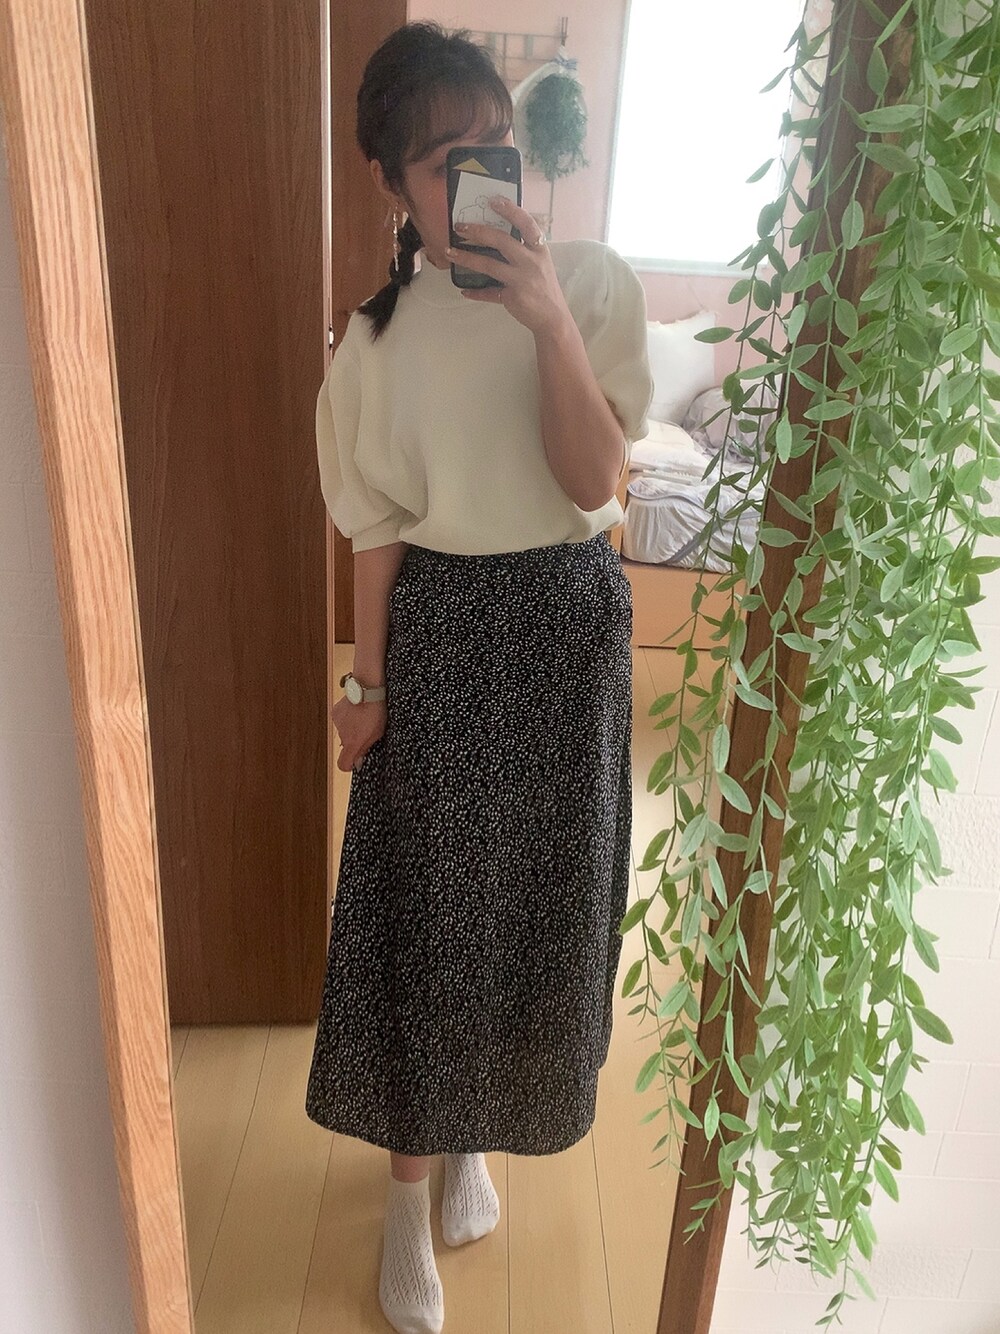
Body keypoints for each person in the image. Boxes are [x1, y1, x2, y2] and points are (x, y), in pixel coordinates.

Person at [303, 21, 653, 1334]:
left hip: (567, 634)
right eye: (443, 159)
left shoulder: (592, 287)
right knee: (426, 918)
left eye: (490, 145)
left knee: (538, 914)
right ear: (392, 183)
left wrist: (548, 318)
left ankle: (471, 1142)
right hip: (443, 633)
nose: (475, 178)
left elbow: (595, 479)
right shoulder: (375, 342)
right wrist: (367, 691)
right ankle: (407, 1201)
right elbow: (376, 533)